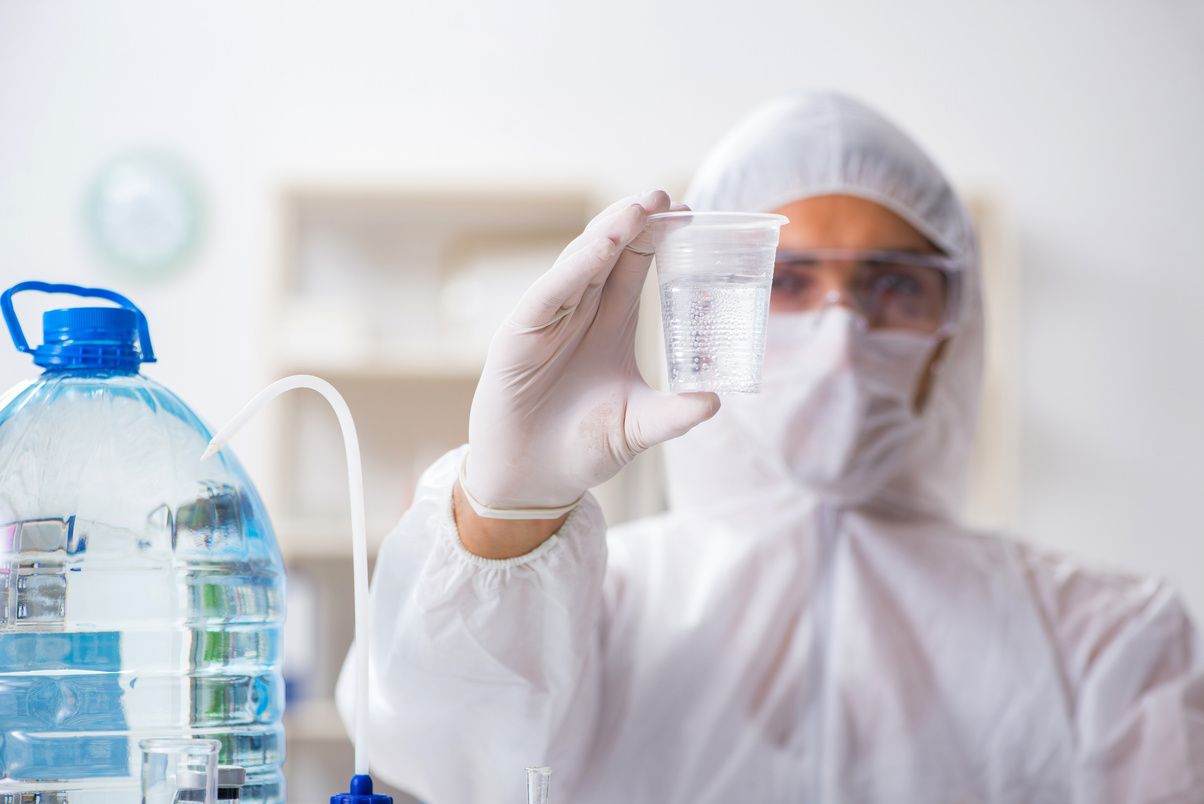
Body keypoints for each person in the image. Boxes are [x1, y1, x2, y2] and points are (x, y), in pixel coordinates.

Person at [336, 93, 1204, 803]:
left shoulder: (1108, 639)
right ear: (708, 296)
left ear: (955, 329)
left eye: (894, 282)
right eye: (786, 278)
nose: (841, 328)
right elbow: (421, 744)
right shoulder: (601, 605)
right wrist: (506, 515)